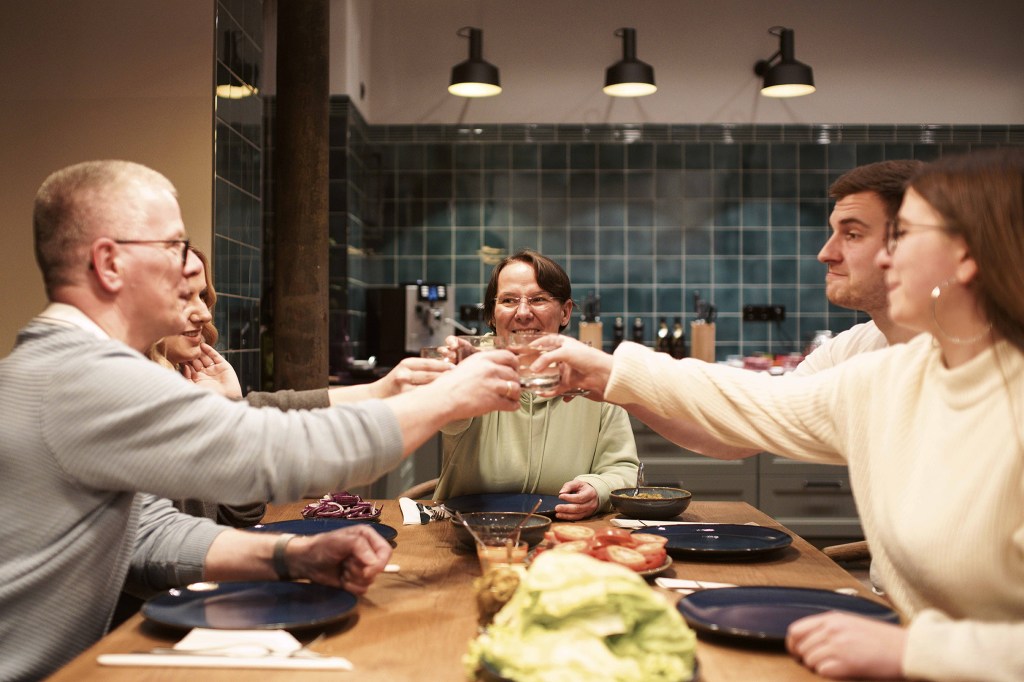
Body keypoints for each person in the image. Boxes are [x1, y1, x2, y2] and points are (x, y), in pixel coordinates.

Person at [0, 159, 521, 681]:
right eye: (174, 247)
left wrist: (290, 556)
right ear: (109, 263)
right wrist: (448, 396)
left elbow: (145, 534)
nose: (190, 268)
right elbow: (276, 452)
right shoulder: (85, 376)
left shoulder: (68, 367)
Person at [536, 147, 1024, 681]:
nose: (884, 258)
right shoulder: (894, 374)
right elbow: (762, 408)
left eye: (903, 235)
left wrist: (915, 652)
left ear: (969, 253)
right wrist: (609, 372)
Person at [629, 159, 923, 459]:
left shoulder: (959, 361)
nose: (825, 254)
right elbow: (740, 432)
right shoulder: (850, 351)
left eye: (853, 235)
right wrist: (615, 383)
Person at [151, 247, 452, 528]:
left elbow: (240, 514)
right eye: (184, 296)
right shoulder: (146, 398)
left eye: (203, 296)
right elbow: (167, 543)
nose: (204, 313)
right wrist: (381, 392)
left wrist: (231, 406)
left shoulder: (187, 385)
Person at [434, 249, 639, 520]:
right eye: (508, 300)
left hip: (567, 535)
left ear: (565, 312)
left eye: (538, 299)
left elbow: (623, 469)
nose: (522, 313)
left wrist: (598, 489)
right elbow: (450, 420)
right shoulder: (470, 367)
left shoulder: (591, 375)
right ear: (492, 315)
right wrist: (455, 380)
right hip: (468, 530)